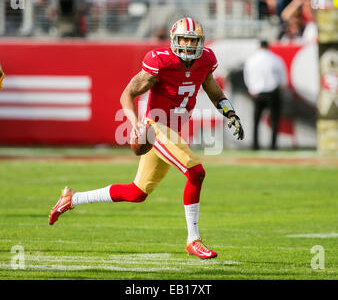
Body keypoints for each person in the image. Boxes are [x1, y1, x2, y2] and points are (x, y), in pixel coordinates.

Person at [49, 17, 244, 259]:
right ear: (174, 39)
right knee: (196, 172)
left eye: (193, 40)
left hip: (173, 130)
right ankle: (193, 240)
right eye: (184, 38)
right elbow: (127, 93)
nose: (188, 44)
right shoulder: (161, 61)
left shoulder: (205, 60)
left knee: (137, 193)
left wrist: (230, 112)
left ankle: (72, 199)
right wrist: (135, 124)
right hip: (156, 127)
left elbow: (212, 89)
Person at [243, 40, 287, 150]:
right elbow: (282, 78)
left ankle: (255, 145)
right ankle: (273, 145)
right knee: (274, 120)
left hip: (257, 93)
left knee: (256, 121)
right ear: (268, 47)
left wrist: (251, 89)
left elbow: (247, 76)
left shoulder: (251, 60)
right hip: (273, 92)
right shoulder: (275, 59)